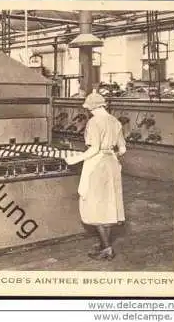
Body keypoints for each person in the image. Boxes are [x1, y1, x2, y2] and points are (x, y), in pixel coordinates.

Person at [64, 90, 126, 260]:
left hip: (97, 165)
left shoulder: (93, 122)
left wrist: (75, 159)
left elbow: (94, 149)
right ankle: (104, 243)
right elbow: (123, 149)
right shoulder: (115, 121)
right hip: (112, 164)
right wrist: (110, 155)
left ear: (92, 108)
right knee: (108, 204)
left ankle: (106, 248)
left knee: (95, 204)